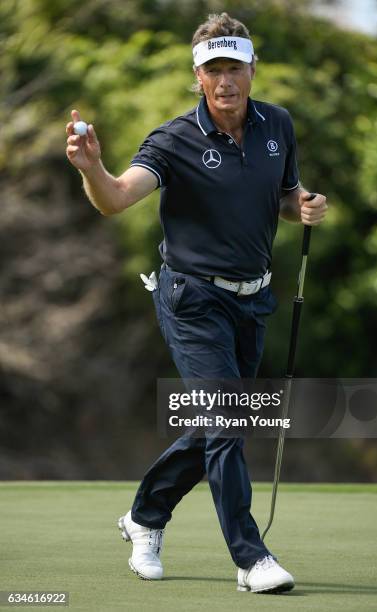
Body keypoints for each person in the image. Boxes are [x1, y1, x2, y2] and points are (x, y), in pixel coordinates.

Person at [66, 12, 328, 594]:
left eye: (234, 67)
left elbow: (283, 194)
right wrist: (94, 170)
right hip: (192, 299)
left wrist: (302, 204)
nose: (225, 80)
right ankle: (251, 558)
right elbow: (116, 199)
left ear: (253, 70)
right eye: (213, 70)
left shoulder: (276, 126)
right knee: (228, 421)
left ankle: (143, 517)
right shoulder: (172, 140)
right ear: (198, 77)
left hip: (252, 300)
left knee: (220, 421)